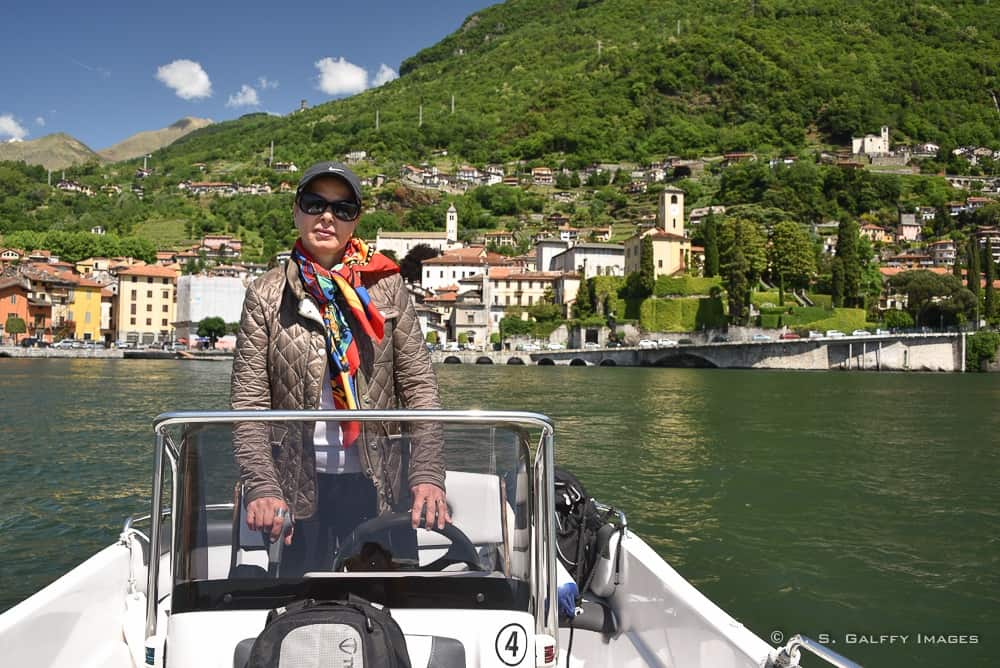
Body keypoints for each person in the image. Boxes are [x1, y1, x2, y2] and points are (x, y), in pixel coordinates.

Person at [231, 161, 449, 574]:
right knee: (302, 613)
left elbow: (420, 385)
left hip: (380, 483)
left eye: (342, 209)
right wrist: (262, 485)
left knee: (387, 611)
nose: (327, 217)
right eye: (315, 204)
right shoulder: (265, 294)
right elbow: (249, 402)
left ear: (355, 220)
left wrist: (427, 474)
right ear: (296, 211)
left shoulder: (387, 285)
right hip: (295, 489)